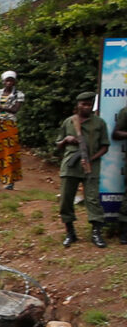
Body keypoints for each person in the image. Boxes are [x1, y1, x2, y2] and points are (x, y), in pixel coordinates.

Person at [55, 91, 110, 248]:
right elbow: (58, 145)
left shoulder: (99, 123)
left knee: (92, 199)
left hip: (91, 166)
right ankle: (70, 232)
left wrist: (90, 159)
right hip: (70, 166)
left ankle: (96, 233)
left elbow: (105, 146)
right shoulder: (69, 122)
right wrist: (66, 140)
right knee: (66, 199)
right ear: (77, 105)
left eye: (90, 104)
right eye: (83, 104)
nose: (87, 107)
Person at [0, 71, 25, 190]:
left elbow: (15, 109)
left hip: (10, 125)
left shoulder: (18, 95)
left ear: (14, 82)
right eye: (7, 80)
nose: (9, 83)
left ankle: (10, 182)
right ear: (3, 82)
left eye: (11, 80)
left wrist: (1, 107)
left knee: (10, 153)